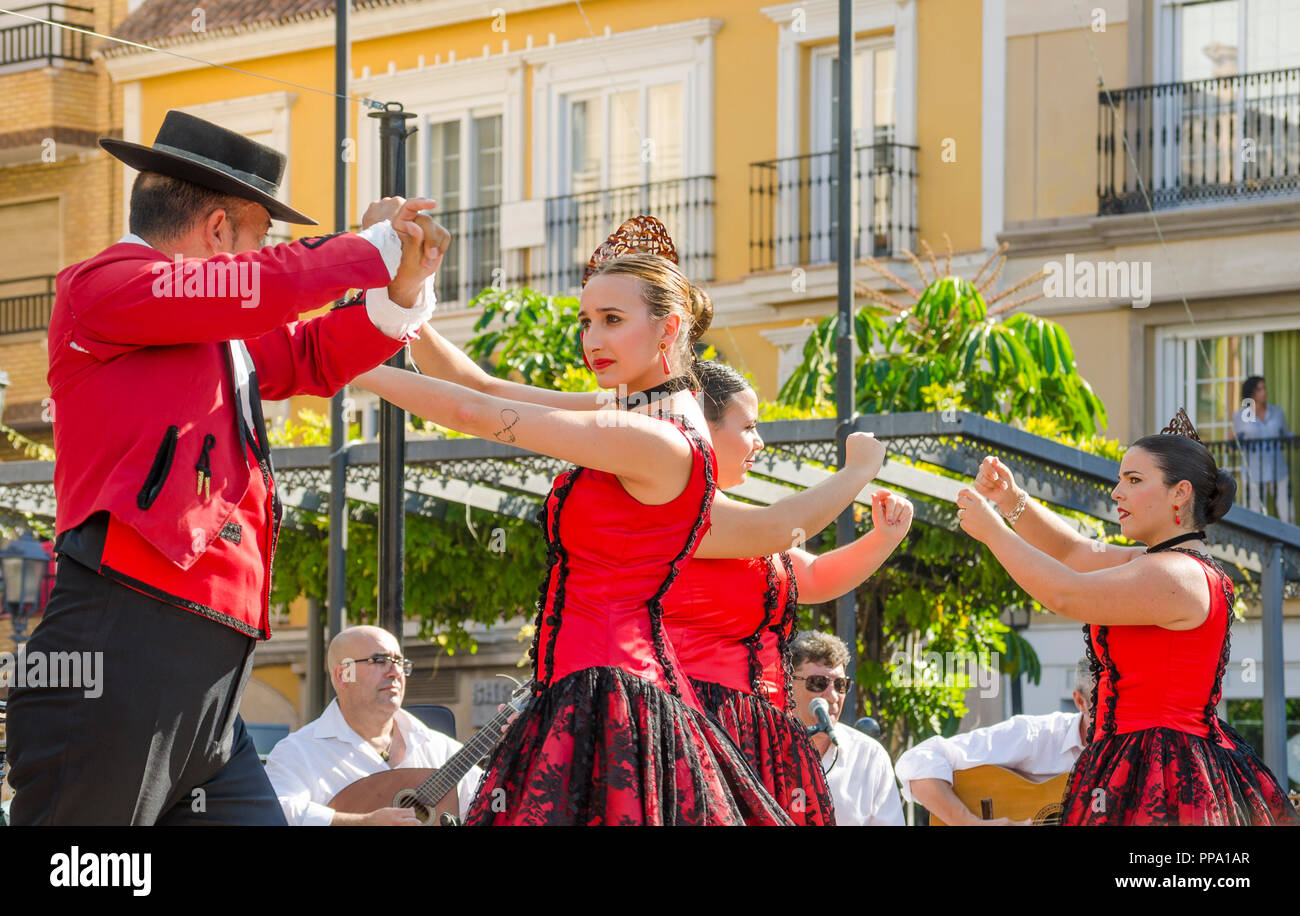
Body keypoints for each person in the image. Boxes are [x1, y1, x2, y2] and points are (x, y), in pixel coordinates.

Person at [357, 216, 888, 824]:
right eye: (586, 321)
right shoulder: (637, 407)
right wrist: (398, 297)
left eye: (612, 320)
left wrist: (326, 355)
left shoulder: (655, 437)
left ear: (668, 328)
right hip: (593, 687)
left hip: (608, 690)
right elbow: (475, 383)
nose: (592, 339)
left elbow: (473, 411)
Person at [6, 109, 442, 825]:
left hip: (207, 668)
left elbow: (308, 356)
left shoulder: (205, 322)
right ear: (216, 231)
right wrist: (370, 245)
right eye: (259, 236)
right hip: (124, 642)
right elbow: (261, 287)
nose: (265, 254)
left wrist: (397, 291)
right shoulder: (103, 285)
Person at [955, 409, 1299, 825]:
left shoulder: (1178, 574)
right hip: (1138, 757)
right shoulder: (1165, 563)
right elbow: (1074, 553)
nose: (1117, 492)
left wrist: (993, 532)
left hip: (1162, 769)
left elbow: (1065, 593)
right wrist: (1011, 500)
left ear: (1180, 493)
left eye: (1134, 480)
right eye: (1121, 479)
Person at [660, 359, 913, 825]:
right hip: (690, 725)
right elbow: (779, 526)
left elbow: (814, 578)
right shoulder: (675, 505)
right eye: (750, 427)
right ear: (700, 425)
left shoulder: (731, 517)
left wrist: (884, 537)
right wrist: (857, 472)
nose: (759, 441)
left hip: (749, 729)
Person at [264, 626, 482, 825]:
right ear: (343, 674)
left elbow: (495, 802)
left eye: (399, 662)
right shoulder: (298, 751)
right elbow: (276, 811)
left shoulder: (439, 748)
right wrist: (363, 822)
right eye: (379, 660)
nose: (394, 672)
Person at [895, 658, 1093, 826]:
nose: (1120, 714)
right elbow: (918, 761)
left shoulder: (1124, 761)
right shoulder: (1037, 736)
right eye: (1109, 703)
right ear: (1080, 702)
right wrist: (971, 823)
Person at [777, 631, 902, 826]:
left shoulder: (869, 757)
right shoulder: (762, 746)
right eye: (818, 683)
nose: (833, 696)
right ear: (788, 683)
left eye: (840, 685)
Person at [1231, 375, 1292, 524]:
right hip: (1254, 473)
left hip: (1278, 469)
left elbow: (1286, 434)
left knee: (1288, 515)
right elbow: (1235, 442)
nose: (1264, 392)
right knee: (1255, 518)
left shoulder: (1277, 412)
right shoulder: (1240, 416)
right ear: (1250, 393)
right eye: (1259, 389)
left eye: (1264, 388)